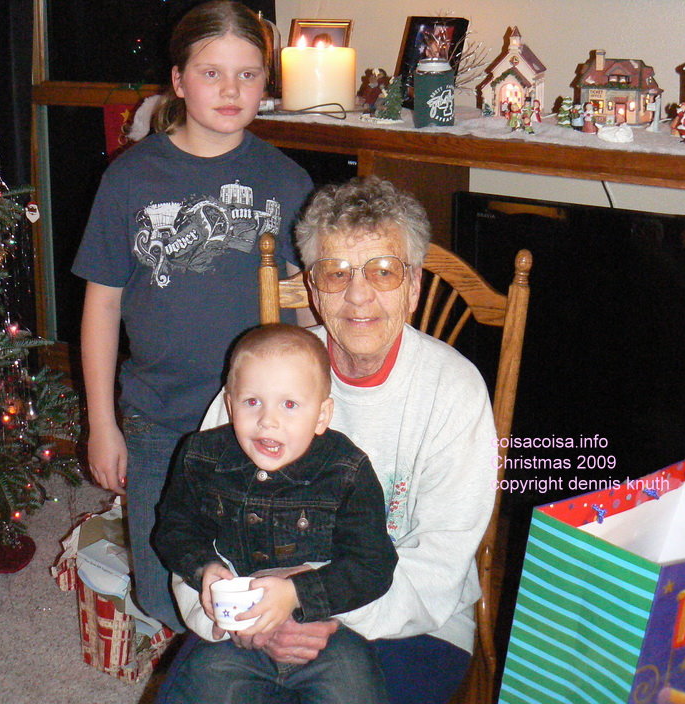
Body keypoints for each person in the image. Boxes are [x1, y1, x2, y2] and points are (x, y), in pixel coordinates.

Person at [169, 176, 497, 704]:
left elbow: (439, 563)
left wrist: (313, 604)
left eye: (383, 271)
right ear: (313, 290)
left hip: (407, 618)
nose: (358, 294)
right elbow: (192, 517)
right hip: (253, 610)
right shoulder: (265, 377)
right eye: (335, 272)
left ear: (413, 286)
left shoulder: (453, 391)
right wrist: (231, 611)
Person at [72, 0, 313, 630]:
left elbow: (308, 314)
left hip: (259, 425)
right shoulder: (131, 178)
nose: (231, 90)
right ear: (178, 80)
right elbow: (101, 304)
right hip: (160, 420)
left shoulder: (287, 182)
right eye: (211, 73)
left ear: (267, 81)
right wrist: (102, 422)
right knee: (162, 595)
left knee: (251, 582)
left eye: (249, 74)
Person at [154, 323, 397, 703]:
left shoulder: (347, 469)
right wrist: (203, 568)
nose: (268, 420)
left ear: (321, 415)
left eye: (289, 404)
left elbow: (373, 564)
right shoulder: (202, 455)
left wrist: (297, 594)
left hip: (326, 636)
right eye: (253, 402)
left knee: (355, 689)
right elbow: (174, 527)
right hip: (236, 635)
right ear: (230, 405)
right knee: (199, 685)